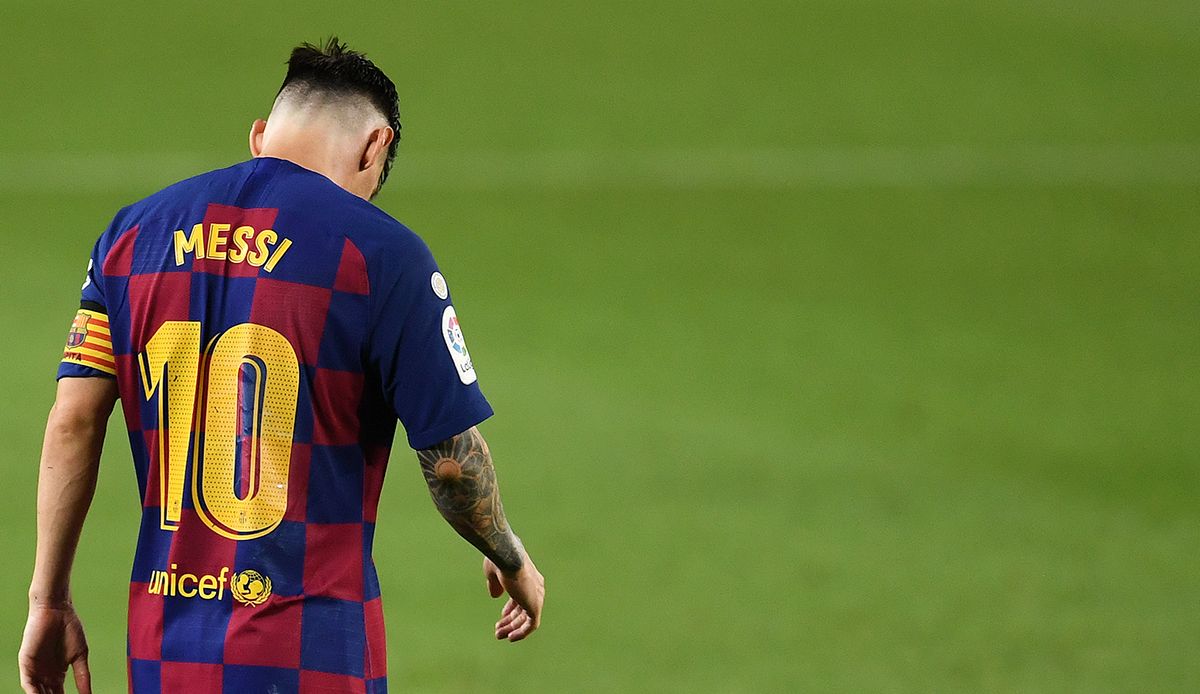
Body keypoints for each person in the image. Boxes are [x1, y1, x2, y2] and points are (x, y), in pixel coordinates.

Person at [19, 38, 544, 694]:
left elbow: (72, 422)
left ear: (260, 136)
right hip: (309, 657)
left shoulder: (130, 238)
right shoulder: (381, 253)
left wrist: (48, 599)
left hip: (163, 655)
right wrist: (508, 555)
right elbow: (449, 462)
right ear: (374, 148)